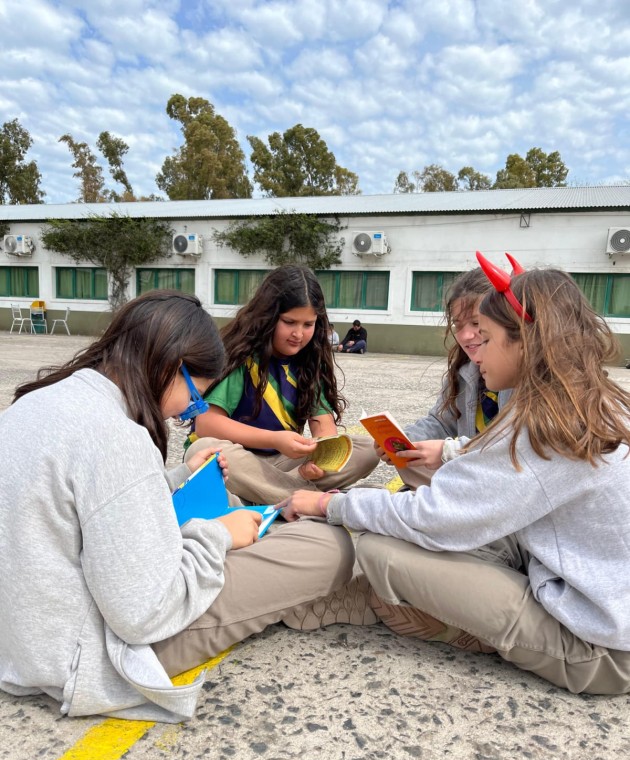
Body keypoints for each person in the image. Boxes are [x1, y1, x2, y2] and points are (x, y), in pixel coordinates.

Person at [0, 290, 356, 722]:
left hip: (20, 635)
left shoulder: (40, 401)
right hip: (80, 653)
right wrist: (220, 535)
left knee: (248, 517)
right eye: (194, 396)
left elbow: (89, 506)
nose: (186, 412)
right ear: (170, 365)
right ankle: (333, 596)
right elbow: (143, 614)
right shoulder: (117, 438)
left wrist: (173, 479)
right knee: (322, 547)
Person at [280, 256, 630, 695]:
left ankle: (457, 628)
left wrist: (328, 504)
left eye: (484, 335)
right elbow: (478, 474)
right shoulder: (580, 398)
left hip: (600, 649)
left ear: (525, 341)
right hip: (586, 592)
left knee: (382, 551)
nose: (473, 345)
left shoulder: (547, 424)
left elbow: (434, 514)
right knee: (417, 518)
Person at [184, 266, 379, 505]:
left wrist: (319, 460)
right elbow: (206, 424)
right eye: (289, 322)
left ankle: (266, 495)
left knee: (368, 449)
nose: (298, 333)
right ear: (268, 316)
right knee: (203, 451)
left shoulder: (309, 363)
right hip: (240, 460)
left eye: (308, 325)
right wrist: (275, 440)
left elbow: (324, 428)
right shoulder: (242, 357)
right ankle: (310, 499)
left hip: (284, 465)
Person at [391, 267, 512, 489]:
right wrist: (405, 439)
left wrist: (447, 451)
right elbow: (440, 421)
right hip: (469, 472)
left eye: (477, 324)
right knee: (410, 456)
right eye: (458, 325)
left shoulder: (527, 379)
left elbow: (515, 451)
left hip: (504, 481)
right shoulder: (463, 372)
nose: (465, 336)